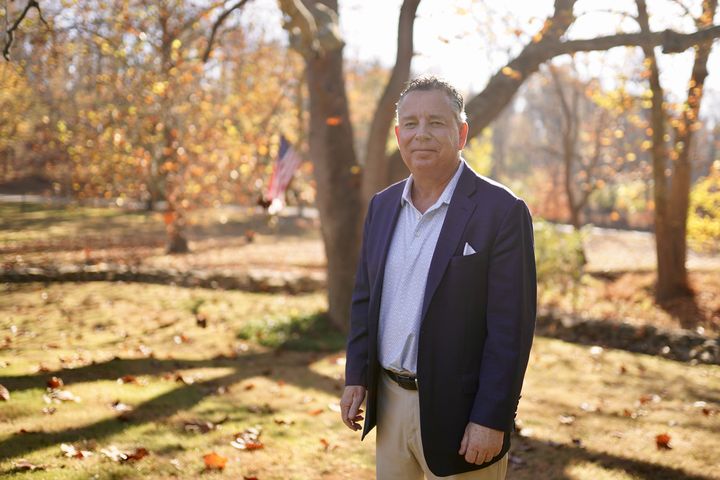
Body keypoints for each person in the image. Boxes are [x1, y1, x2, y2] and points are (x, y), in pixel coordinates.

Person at [339, 76, 537, 479]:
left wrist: (492, 418)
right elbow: (365, 297)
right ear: (398, 134)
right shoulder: (381, 206)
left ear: (461, 132)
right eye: (410, 123)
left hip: (462, 415)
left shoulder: (501, 211)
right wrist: (356, 375)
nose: (421, 134)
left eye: (436, 122)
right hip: (390, 404)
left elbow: (510, 330)